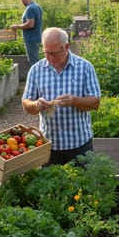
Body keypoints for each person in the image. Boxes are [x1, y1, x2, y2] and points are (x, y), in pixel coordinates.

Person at [22, 27, 101, 165]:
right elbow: (26, 103)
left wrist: (74, 101)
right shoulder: (36, 70)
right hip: (49, 144)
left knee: (81, 184)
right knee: (51, 184)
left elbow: (95, 103)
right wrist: (36, 105)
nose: (51, 58)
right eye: (47, 53)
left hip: (79, 143)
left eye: (55, 54)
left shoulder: (85, 67)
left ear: (66, 47)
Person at [10, 0, 43, 65]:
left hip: (31, 39)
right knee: (35, 59)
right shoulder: (37, 6)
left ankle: (37, 76)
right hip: (36, 37)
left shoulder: (30, 8)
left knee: (34, 62)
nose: (21, 1)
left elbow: (30, 24)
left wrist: (16, 26)